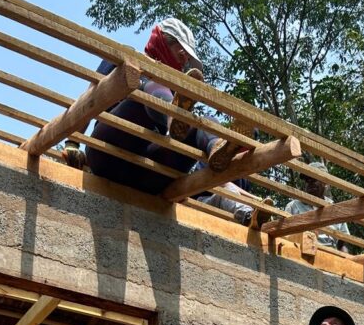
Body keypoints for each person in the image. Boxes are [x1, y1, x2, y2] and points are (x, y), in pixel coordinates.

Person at [63, 18, 247, 194]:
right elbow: (89, 98)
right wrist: (73, 143)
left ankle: (217, 148)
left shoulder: (174, 94)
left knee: (204, 122)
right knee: (150, 87)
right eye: (181, 53)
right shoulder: (127, 58)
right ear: (163, 41)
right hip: (108, 154)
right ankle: (173, 117)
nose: (184, 62)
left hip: (146, 172)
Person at [284, 163, 350, 252]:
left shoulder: (335, 209)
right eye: (307, 180)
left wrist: (345, 261)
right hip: (300, 253)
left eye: (314, 179)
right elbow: (284, 235)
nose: (310, 182)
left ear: (325, 182)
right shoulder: (293, 206)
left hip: (330, 257)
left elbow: (342, 243)